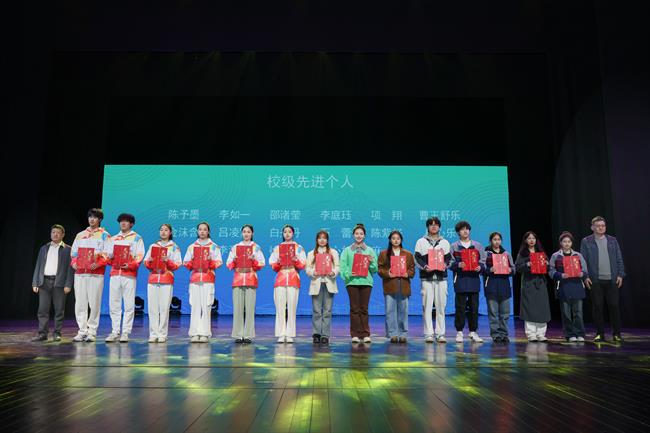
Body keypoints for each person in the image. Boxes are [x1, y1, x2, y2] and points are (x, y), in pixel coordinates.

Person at [580, 216, 626, 342]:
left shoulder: (612, 240)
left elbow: (619, 258)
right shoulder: (586, 241)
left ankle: (617, 334)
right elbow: (582, 261)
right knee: (598, 307)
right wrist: (585, 276)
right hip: (595, 280)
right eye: (598, 226)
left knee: (614, 306)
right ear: (592, 227)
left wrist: (620, 274)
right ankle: (600, 333)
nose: (601, 228)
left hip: (612, 280)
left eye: (603, 225)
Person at [70, 208, 111, 342]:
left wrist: (98, 263)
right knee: (80, 303)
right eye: (90, 217)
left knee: (94, 303)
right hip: (80, 273)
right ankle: (82, 331)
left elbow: (108, 254)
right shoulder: (80, 235)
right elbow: (74, 253)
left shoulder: (105, 235)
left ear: (100, 219)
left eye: (95, 217)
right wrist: (74, 263)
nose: (92, 219)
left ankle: (92, 331)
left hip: (96, 274)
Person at [105, 213, 145, 343]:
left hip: (129, 275)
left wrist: (130, 265)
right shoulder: (113, 238)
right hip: (115, 274)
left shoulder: (137, 238)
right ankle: (115, 331)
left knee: (128, 305)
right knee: (114, 303)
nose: (123, 223)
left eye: (126, 221)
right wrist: (110, 258)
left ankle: (126, 332)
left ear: (131, 224)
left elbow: (139, 256)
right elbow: (106, 256)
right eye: (121, 221)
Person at [31, 224, 74, 342]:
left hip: (59, 283)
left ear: (63, 235)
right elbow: (38, 265)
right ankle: (42, 334)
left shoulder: (68, 249)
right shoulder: (44, 248)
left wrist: (68, 284)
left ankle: (57, 333)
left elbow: (70, 269)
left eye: (58, 232)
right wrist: (35, 282)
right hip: (44, 282)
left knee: (59, 310)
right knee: (42, 309)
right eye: (53, 232)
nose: (55, 234)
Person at [414, 216, 452, 343]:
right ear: (427, 227)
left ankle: (440, 334)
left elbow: (449, 259)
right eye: (431, 224)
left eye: (436, 224)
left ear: (439, 227)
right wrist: (425, 267)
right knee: (427, 306)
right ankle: (428, 334)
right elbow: (417, 258)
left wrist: (445, 265)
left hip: (441, 278)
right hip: (427, 278)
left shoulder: (445, 242)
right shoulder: (421, 242)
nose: (434, 226)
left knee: (441, 307)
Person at [183, 222, 222, 343]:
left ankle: (205, 333)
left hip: (208, 279)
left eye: (205, 229)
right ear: (197, 231)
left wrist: (210, 261)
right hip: (195, 279)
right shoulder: (192, 247)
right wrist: (193, 262)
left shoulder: (214, 246)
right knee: (195, 306)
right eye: (200, 229)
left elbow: (219, 262)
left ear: (208, 231)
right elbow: (185, 262)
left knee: (206, 306)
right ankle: (194, 333)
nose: (202, 231)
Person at [143, 224, 182, 343]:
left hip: (166, 279)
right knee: (152, 308)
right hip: (153, 279)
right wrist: (149, 262)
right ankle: (153, 333)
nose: (163, 232)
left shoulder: (174, 247)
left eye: (166, 230)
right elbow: (146, 262)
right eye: (161, 230)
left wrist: (168, 261)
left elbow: (177, 264)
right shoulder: (153, 246)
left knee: (164, 308)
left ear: (170, 232)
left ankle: (162, 334)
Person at [339, 223, 378, 343]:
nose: (359, 236)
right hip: (352, 282)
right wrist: (349, 274)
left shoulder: (370, 250)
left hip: (366, 282)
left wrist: (371, 262)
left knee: (364, 309)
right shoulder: (347, 250)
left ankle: (365, 334)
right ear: (353, 235)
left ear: (364, 235)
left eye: (361, 233)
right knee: (354, 309)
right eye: (356, 233)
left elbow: (375, 269)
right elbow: (342, 268)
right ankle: (355, 334)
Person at [226, 224, 265, 344]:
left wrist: (253, 260)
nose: (246, 234)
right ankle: (238, 334)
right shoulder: (235, 247)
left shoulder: (256, 248)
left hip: (250, 279)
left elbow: (262, 263)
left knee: (249, 308)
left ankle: (248, 335)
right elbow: (228, 264)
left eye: (248, 232)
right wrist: (234, 260)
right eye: (244, 232)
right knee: (237, 308)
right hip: (238, 279)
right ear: (241, 233)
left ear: (252, 233)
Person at [269, 225, 307, 344]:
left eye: (289, 232)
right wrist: (278, 263)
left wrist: (296, 260)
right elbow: (273, 265)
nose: (287, 234)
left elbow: (303, 264)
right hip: (280, 278)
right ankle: (281, 334)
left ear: (293, 233)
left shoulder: (299, 248)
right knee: (280, 308)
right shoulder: (277, 248)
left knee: (292, 308)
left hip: (293, 278)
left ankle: (290, 334)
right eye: (285, 232)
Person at [549, 231, 589, 342]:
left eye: (569, 241)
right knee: (566, 313)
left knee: (578, 313)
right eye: (564, 241)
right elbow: (551, 271)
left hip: (577, 286)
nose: (567, 243)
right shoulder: (556, 256)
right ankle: (570, 334)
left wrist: (582, 274)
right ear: (561, 243)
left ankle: (579, 333)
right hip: (563, 286)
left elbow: (585, 270)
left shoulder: (578, 255)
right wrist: (560, 275)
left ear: (572, 243)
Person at [450, 220, 485, 343]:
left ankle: (473, 331)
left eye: (467, 229)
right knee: (460, 306)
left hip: (474, 279)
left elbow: (483, 261)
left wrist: (480, 267)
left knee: (474, 307)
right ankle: (459, 332)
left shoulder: (478, 246)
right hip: (460, 279)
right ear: (458, 232)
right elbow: (449, 263)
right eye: (462, 229)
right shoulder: (454, 246)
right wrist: (458, 264)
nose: (465, 231)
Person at [377, 231, 415, 343]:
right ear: (390, 240)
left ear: (401, 240)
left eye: (398, 238)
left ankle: (403, 333)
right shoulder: (384, 254)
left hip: (404, 285)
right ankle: (392, 333)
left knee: (403, 311)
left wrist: (407, 273)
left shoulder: (408, 254)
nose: (396, 240)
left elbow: (412, 268)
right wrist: (388, 273)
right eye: (393, 238)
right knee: (390, 311)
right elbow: (380, 269)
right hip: (390, 285)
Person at [515, 231, 551, 342]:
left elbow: (548, 268)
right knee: (529, 308)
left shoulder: (541, 253)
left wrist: (547, 265)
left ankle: (541, 334)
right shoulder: (522, 253)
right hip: (529, 283)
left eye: (533, 238)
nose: (531, 240)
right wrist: (527, 264)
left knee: (542, 308)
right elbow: (518, 267)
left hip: (540, 283)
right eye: (529, 238)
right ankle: (531, 334)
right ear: (525, 240)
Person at [305, 230, 339, 345]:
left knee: (327, 311)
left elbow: (337, 266)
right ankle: (316, 334)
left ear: (327, 240)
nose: (322, 240)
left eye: (324, 238)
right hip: (317, 283)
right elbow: (307, 268)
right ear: (316, 240)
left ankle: (325, 335)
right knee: (316, 310)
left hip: (329, 283)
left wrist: (333, 272)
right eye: (320, 238)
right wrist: (313, 272)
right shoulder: (311, 253)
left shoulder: (333, 252)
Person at [483, 232, 515, 343]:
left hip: (504, 286)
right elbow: (482, 268)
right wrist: (489, 270)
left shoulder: (506, 254)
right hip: (491, 286)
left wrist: (510, 270)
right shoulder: (486, 254)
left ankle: (504, 334)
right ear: (490, 241)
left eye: (498, 239)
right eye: (494, 239)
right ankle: (495, 334)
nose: (497, 241)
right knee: (493, 313)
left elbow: (513, 268)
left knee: (505, 314)